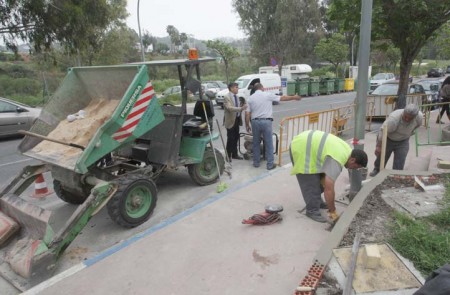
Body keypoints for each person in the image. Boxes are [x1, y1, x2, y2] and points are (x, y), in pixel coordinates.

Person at [290, 130, 368, 223]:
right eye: (355, 167)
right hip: (302, 148)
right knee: (311, 183)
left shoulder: (348, 151)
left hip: (309, 146)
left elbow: (324, 182)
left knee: (321, 181)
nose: (353, 169)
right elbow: (329, 189)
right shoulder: (337, 159)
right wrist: (333, 211)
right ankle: (312, 210)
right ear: (352, 160)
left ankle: (317, 201)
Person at [245, 83, 301, 170]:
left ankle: (256, 163)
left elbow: (247, 113)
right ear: (262, 88)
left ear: (255, 89)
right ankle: (270, 164)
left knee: (256, 143)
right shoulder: (267, 95)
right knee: (268, 143)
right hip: (266, 121)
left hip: (255, 122)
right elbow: (282, 98)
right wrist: (294, 97)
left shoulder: (250, 98)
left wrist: (247, 124)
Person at [369, 104, 423, 177]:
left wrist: (408, 134)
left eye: (410, 118)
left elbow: (417, 126)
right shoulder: (394, 119)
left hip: (403, 141)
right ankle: (377, 169)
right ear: (403, 112)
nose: (407, 119)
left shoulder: (419, 117)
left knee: (400, 159)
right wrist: (379, 146)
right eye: (405, 117)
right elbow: (383, 132)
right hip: (388, 138)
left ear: (415, 116)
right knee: (382, 156)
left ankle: (396, 175)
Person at [223, 82, 247, 160]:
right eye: (236, 87)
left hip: (236, 119)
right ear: (231, 88)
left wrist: (242, 106)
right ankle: (228, 155)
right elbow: (230, 108)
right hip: (230, 121)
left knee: (236, 137)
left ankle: (235, 154)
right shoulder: (227, 97)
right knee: (230, 138)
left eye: (237, 87)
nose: (237, 89)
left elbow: (237, 107)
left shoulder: (237, 97)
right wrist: (241, 108)